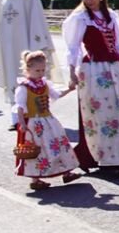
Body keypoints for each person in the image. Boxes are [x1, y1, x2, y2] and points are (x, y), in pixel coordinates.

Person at [62, 0, 119, 175]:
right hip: (94, 70)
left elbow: (117, 43)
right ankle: (103, 159)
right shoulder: (80, 18)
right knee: (101, 116)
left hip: (115, 68)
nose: (89, 0)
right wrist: (72, 71)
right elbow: (73, 47)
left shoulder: (111, 16)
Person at [0, 0, 64, 129]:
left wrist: (35, 49)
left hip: (26, 44)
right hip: (8, 49)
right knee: (12, 79)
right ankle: (15, 119)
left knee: (31, 80)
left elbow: (37, 21)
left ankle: (38, 117)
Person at [14, 50, 83, 190]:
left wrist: (69, 89)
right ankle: (35, 179)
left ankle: (66, 171)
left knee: (58, 143)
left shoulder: (44, 84)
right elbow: (20, 107)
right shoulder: (23, 87)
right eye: (37, 70)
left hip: (48, 120)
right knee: (37, 149)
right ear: (28, 69)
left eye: (43, 70)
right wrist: (21, 123)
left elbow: (56, 94)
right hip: (33, 123)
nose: (40, 73)